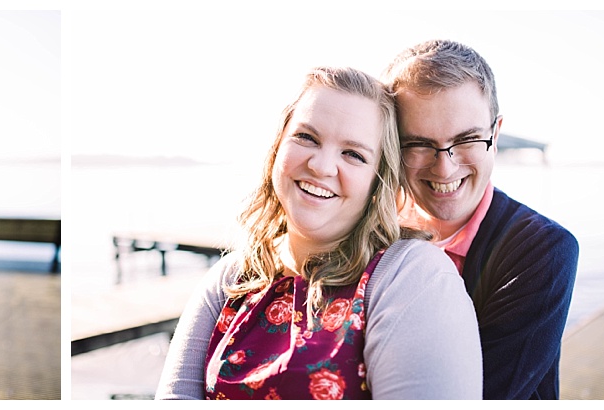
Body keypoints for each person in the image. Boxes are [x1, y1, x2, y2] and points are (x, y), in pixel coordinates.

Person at [155, 66, 482, 400]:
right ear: (277, 148)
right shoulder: (230, 279)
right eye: (307, 138)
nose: (322, 167)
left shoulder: (411, 276)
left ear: (377, 181)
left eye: (353, 154)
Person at [382, 39, 580, 400]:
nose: (445, 166)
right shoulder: (371, 233)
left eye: (468, 139)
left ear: (495, 132)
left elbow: (481, 395)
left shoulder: (542, 250)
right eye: (419, 143)